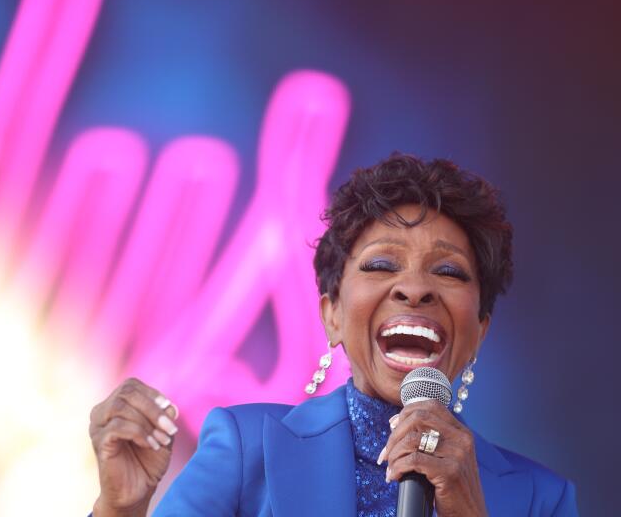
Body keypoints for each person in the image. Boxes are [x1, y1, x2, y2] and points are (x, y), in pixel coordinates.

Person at [88, 153, 578, 516]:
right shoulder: (246, 448)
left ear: (479, 332)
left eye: (448, 272)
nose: (414, 289)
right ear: (333, 315)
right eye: (383, 264)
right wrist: (119, 508)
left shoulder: (542, 498)